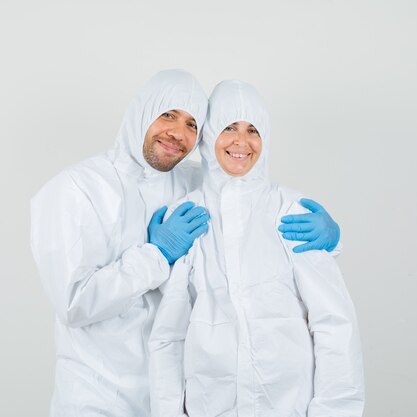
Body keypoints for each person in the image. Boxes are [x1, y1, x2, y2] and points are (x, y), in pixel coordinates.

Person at [31, 70, 341, 416]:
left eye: (193, 124)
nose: (178, 133)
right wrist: (156, 254)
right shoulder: (75, 189)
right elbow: (75, 303)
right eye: (168, 115)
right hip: (99, 396)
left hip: (177, 398)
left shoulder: (194, 183)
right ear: (142, 112)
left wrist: (328, 238)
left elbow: (247, 209)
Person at [149, 80, 364, 417]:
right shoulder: (189, 217)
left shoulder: (290, 211)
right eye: (229, 127)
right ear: (207, 137)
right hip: (211, 403)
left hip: (287, 404)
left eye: (253, 130)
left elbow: (334, 323)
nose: (242, 141)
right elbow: (168, 334)